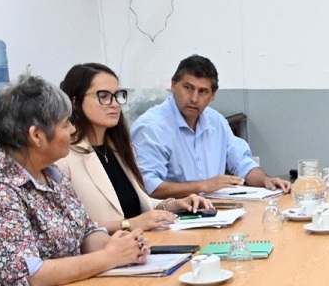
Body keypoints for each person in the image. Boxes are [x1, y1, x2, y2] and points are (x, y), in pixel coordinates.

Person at [0, 75, 149, 286]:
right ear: (36, 136)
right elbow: (32, 275)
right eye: (66, 124)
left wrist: (121, 246)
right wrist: (108, 257)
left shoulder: (51, 173)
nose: (73, 129)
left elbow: (85, 230)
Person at [56, 63, 212, 233]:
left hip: (142, 246)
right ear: (75, 102)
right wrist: (128, 224)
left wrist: (174, 204)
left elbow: (141, 203)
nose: (114, 104)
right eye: (103, 96)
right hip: (106, 253)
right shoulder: (65, 156)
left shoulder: (118, 146)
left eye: (117, 95)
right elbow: (69, 230)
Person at [131, 55, 291, 199]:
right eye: (188, 88)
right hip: (172, 217)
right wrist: (203, 186)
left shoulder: (216, 121)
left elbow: (242, 163)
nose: (194, 98)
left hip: (215, 211)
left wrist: (265, 180)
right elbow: (148, 187)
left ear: (213, 95)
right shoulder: (151, 127)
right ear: (174, 85)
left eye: (202, 91)